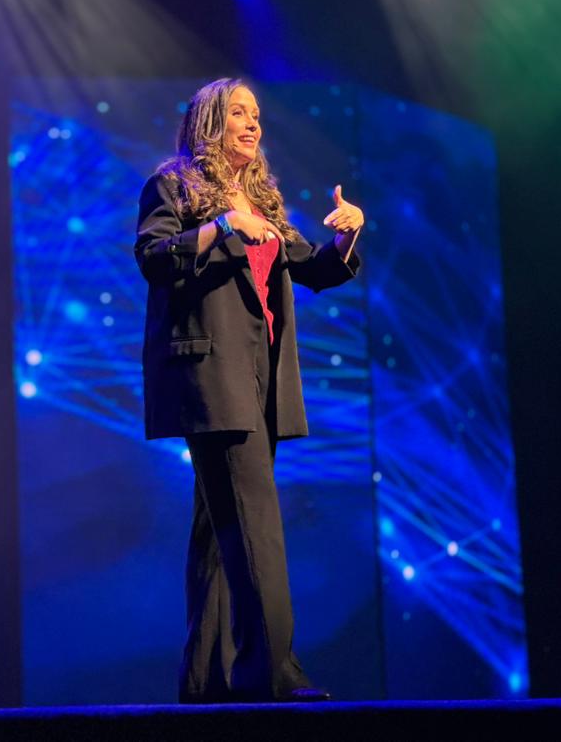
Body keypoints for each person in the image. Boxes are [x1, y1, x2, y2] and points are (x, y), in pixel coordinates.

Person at [134, 78, 364, 703]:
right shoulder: (174, 185)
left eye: (256, 114)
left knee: (220, 528)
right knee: (255, 521)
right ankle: (273, 671)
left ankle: (204, 681)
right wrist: (219, 227)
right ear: (211, 121)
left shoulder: (262, 200)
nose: (253, 123)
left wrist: (347, 236)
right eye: (239, 112)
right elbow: (153, 256)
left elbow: (313, 267)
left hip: (262, 374)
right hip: (212, 374)